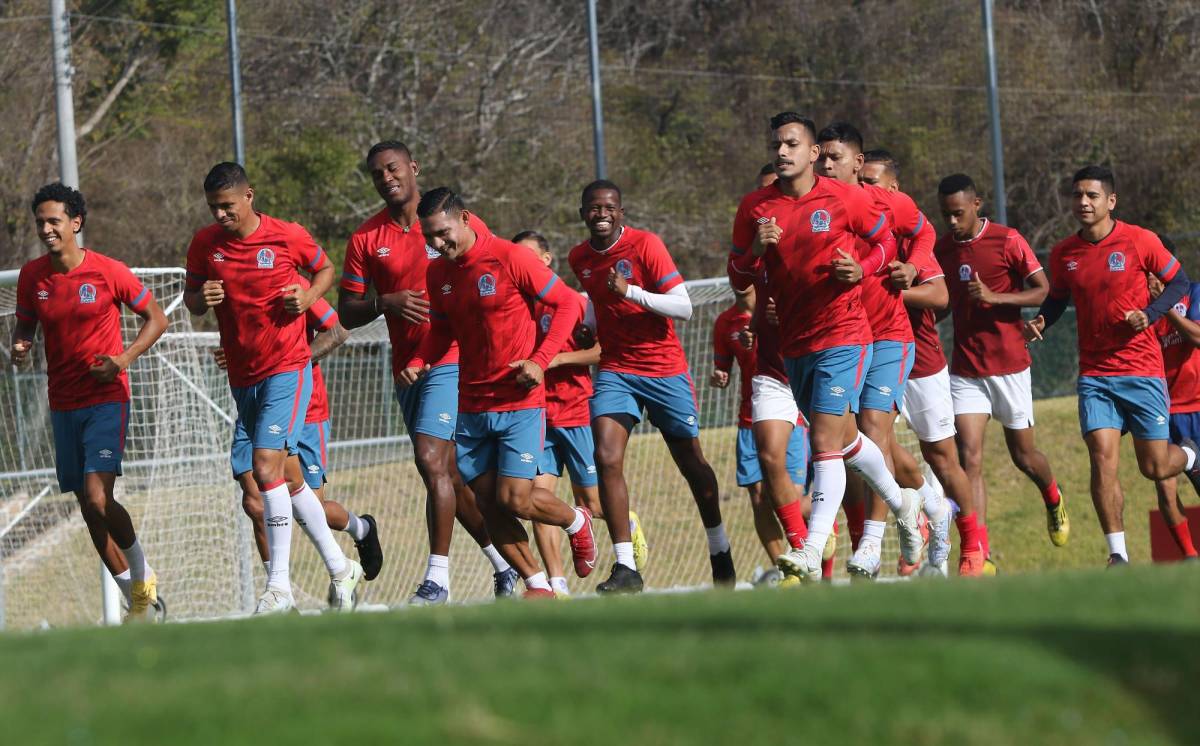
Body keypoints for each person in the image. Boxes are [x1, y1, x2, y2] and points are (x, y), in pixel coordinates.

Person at [729, 111, 922, 582]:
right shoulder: (755, 207)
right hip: (795, 344)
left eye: (792, 144)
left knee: (821, 442)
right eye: (777, 143)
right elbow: (738, 276)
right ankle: (905, 504)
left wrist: (862, 270)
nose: (782, 151)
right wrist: (755, 249)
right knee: (847, 440)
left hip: (845, 334)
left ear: (813, 153)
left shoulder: (844, 197)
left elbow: (883, 246)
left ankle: (813, 546)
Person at [339, 141, 518, 604]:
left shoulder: (455, 221)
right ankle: (506, 566)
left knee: (429, 459)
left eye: (393, 168)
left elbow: (493, 273)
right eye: (377, 173)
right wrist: (385, 302)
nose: (387, 178)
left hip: (454, 359)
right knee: (449, 478)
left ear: (413, 168)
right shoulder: (365, 239)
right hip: (408, 371)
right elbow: (347, 310)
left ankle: (437, 580)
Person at [400, 188, 597, 599]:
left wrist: (540, 361)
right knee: (487, 503)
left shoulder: (509, 257)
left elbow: (567, 305)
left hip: (519, 401)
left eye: (443, 233)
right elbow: (441, 331)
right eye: (430, 238)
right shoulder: (439, 274)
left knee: (516, 498)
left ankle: (578, 522)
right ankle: (537, 585)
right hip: (471, 403)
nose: (438, 245)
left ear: (466, 218)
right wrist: (420, 359)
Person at [184, 162, 361, 614]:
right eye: (213, 208)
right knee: (289, 475)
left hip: (288, 367)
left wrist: (307, 297)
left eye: (227, 206)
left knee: (266, 469)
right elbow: (190, 300)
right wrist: (201, 298)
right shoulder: (205, 245)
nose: (221, 216)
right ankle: (342, 566)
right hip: (243, 377)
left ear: (249, 197)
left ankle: (278, 588)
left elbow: (325, 270)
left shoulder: (285, 235)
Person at [12, 182, 168, 622]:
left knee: (100, 498)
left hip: (105, 399)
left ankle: (142, 579)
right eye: (40, 221)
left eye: (54, 221)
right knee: (87, 509)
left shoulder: (107, 271)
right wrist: (20, 347)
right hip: (62, 405)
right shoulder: (32, 277)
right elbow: (24, 328)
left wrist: (120, 360)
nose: (46, 228)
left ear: (75, 223)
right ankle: (141, 598)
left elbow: (158, 319)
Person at [1026, 165, 1197, 565]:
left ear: (1111, 201)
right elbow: (1057, 298)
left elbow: (1179, 282)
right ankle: (1117, 554)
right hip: (1095, 375)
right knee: (1101, 456)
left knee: (1155, 467)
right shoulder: (1064, 252)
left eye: (1092, 196)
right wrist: (1041, 321)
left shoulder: (1140, 241)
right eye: (1077, 195)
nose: (1083, 202)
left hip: (1142, 372)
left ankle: (1188, 454)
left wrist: (1150, 314)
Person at [570, 180, 732, 593]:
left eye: (609, 207)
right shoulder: (580, 258)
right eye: (593, 207)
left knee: (692, 465)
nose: (600, 213)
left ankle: (720, 550)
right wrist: (589, 325)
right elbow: (593, 297)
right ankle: (626, 566)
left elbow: (684, 306)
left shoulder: (646, 245)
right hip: (616, 369)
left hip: (663, 371)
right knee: (606, 456)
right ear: (583, 212)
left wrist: (632, 293)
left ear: (621, 212)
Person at [815, 125, 939, 580]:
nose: (826, 164)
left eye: (835, 156)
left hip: (887, 335)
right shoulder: (812, 207)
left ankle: (870, 544)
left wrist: (912, 266)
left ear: (858, 161)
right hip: (839, 338)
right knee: (858, 442)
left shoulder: (885, 202)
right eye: (821, 156)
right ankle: (927, 503)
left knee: (871, 429)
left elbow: (924, 233)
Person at [936, 172, 1068, 572]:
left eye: (958, 213)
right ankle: (980, 553)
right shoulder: (942, 249)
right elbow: (944, 302)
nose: (952, 222)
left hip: (1009, 365)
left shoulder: (1007, 240)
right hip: (965, 369)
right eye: (946, 215)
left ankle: (1053, 497)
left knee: (1024, 456)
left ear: (976, 205)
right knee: (969, 458)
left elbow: (1043, 289)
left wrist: (996, 297)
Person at [216, 281, 384, 594]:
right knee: (255, 502)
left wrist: (287, 362)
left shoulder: (292, 283)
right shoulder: (230, 273)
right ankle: (280, 593)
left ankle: (360, 529)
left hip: (305, 408)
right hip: (253, 406)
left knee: (311, 507)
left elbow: (336, 331)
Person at [859, 151, 981, 576]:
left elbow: (940, 297)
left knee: (943, 456)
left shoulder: (912, 235)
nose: (864, 189)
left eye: (872, 181)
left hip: (921, 360)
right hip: (871, 357)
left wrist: (883, 290)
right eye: (861, 181)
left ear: (894, 189)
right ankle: (926, 505)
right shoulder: (851, 227)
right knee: (875, 447)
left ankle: (972, 543)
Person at [513, 230, 623, 597]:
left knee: (592, 502)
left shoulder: (574, 302)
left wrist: (555, 359)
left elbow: (603, 351)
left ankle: (628, 526)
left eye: (528, 257)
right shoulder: (514, 309)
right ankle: (557, 586)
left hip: (576, 413)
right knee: (534, 501)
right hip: (537, 417)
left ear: (545, 260)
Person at [711, 284, 809, 583]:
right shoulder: (724, 322)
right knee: (758, 498)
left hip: (790, 415)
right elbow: (722, 368)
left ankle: (818, 522)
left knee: (789, 495)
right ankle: (788, 570)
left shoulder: (781, 305)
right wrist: (720, 376)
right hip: (748, 421)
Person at [1147, 254, 1200, 560]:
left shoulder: (1193, 293)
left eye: (1155, 273)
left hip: (1196, 406)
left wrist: (1166, 309)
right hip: (1161, 412)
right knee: (1165, 488)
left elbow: (1196, 337)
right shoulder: (1143, 311)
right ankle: (1191, 559)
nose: (1151, 281)